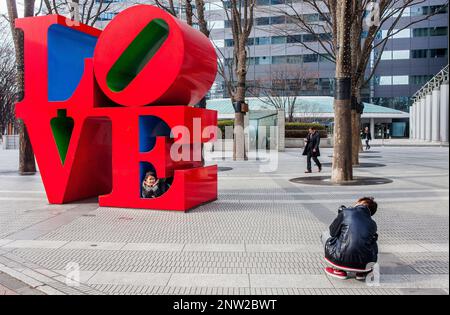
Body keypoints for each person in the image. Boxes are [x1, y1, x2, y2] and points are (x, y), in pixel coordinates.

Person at [321, 197, 378, 281]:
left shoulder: (346, 212)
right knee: (373, 241)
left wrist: (340, 216)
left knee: (325, 234)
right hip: (364, 265)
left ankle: (338, 269)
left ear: (361, 203)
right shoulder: (373, 224)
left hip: (340, 259)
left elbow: (332, 232)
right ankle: (362, 273)